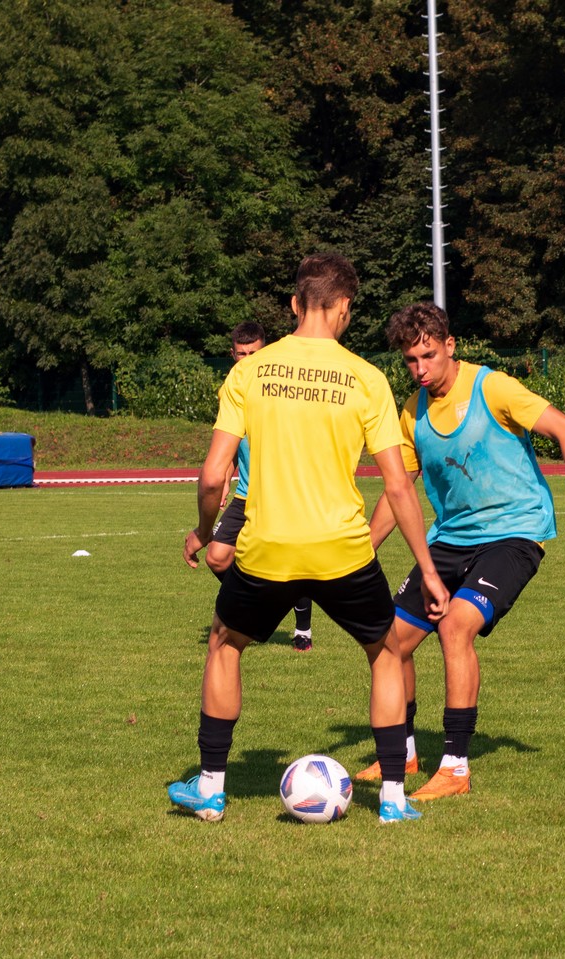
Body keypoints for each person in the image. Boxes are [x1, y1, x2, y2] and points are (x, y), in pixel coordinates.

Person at [171, 253, 448, 824]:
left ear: (295, 303)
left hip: (267, 550)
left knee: (225, 643)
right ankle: (393, 799)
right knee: (385, 653)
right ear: (344, 306)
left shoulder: (250, 372)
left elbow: (213, 475)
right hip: (343, 551)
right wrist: (427, 569)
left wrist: (203, 531)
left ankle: (212, 788)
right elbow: (399, 486)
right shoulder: (367, 378)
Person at [355, 301, 565, 799]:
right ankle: (402, 753)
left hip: (514, 533)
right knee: (390, 640)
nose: (420, 369)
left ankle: (455, 768)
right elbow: (399, 490)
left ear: (450, 346)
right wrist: (361, 549)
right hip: (450, 540)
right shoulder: (412, 412)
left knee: (455, 625)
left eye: (428, 355)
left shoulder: (493, 387)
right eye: (410, 360)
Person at [202, 322, 316, 650]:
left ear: (265, 352)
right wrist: (225, 478)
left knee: (291, 565)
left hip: (283, 496)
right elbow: (232, 445)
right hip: (246, 495)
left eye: (254, 353)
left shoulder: (281, 390)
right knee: (217, 557)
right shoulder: (232, 391)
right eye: (242, 354)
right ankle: (257, 608)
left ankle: (303, 629)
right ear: (232, 355)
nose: (248, 359)